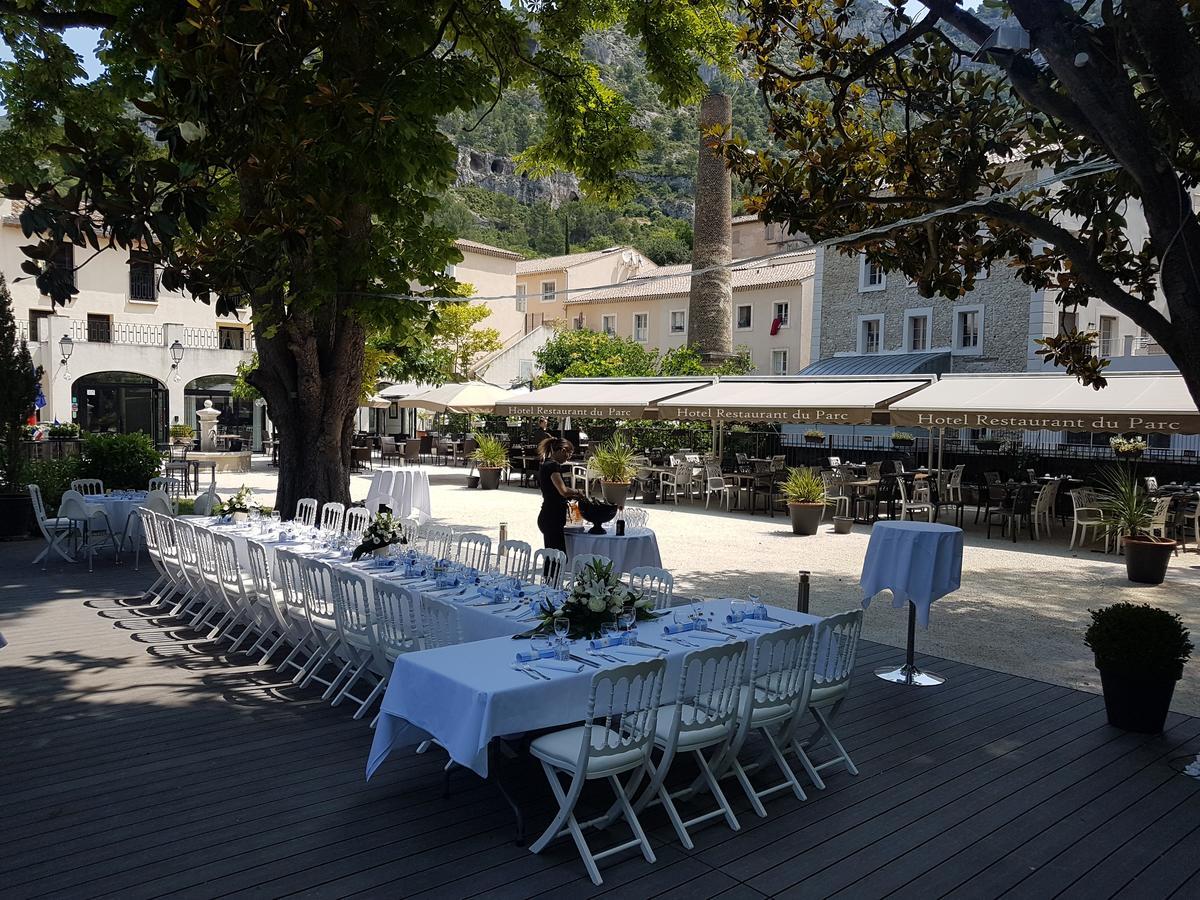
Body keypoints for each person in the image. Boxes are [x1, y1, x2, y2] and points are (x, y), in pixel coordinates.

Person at [537, 436, 583, 565]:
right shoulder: (553, 466)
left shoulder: (545, 464)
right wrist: (577, 492)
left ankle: (550, 582)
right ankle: (552, 584)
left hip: (548, 514)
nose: (569, 457)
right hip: (552, 516)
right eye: (569, 453)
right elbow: (562, 490)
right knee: (557, 559)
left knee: (552, 558)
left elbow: (553, 490)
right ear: (562, 450)